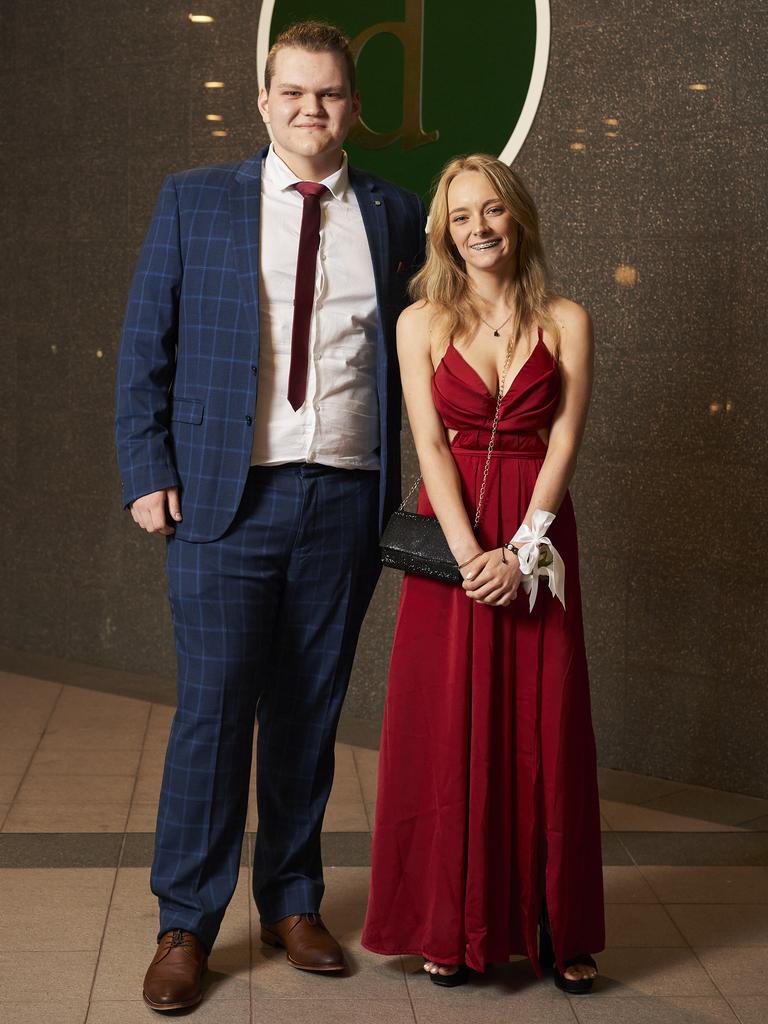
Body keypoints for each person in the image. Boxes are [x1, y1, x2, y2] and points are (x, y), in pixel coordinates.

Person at [115, 20, 425, 1013]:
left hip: (343, 499)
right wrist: (145, 468)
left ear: (352, 107)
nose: (310, 109)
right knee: (212, 715)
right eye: (293, 92)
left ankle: (294, 899)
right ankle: (185, 923)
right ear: (263, 99)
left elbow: (428, 349)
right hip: (221, 498)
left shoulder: (393, 213)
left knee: (307, 714)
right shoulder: (194, 200)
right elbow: (143, 350)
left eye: (329, 94)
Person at [361, 154, 605, 993]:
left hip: (536, 540)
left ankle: (556, 925)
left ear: (519, 217)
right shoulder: (420, 321)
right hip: (454, 544)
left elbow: (565, 440)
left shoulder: (568, 318)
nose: (478, 229)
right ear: (443, 232)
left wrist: (525, 548)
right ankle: (449, 922)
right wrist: (472, 559)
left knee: (549, 731)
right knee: (447, 730)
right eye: (461, 217)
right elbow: (427, 444)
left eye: (492, 211)